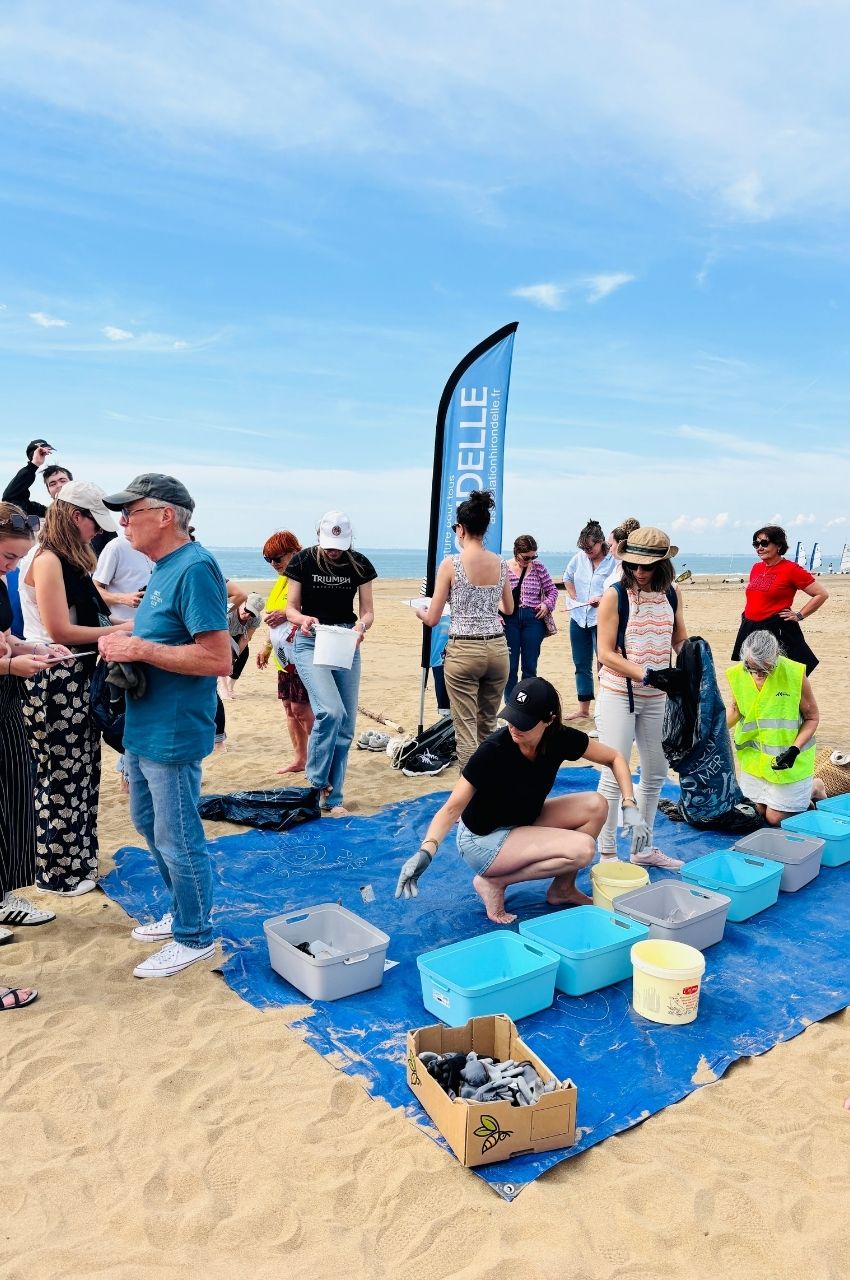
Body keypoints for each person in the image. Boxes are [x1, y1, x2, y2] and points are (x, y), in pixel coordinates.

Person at [98, 473, 230, 979]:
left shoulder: (195, 567)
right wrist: (120, 638)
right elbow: (160, 629)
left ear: (166, 515)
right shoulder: (164, 567)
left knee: (177, 835)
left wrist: (139, 649)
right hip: (144, 722)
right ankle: (182, 911)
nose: (123, 523)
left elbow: (217, 658)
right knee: (148, 823)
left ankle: (195, 936)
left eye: (130, 512)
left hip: (173, 728)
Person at [395, 677, 648, 924]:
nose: (514, 727)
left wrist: (629, 803)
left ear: (549, 720)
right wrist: (426, 851)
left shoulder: (559, 738)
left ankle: (563, 889)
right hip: (482, 840)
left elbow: (614, 757)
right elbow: (451, 809)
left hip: (521, 821)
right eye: (512, 718)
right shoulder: (493, 750)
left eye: (524, 722)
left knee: (597, 804)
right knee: (583, 850)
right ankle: (495, 881)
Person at [19, 482, 131, 895]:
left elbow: (90, 620)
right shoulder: (48, 559)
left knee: (82, 772)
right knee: (61, 776)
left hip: (74, 675)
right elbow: (59, 630)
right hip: (54, 678)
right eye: (93, 524)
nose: (96, 532)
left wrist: (124, 627)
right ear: (74, 516)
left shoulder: (67, 559)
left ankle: (78, 862)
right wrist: (120, 630)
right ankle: (58, 874)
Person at [595, 525, 688, 870]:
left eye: (647, 566)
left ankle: (642, 848)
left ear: (663, 565)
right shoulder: (615, 595)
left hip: (657, 697)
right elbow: (605, 653)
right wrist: (645, 673)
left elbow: (679, 638)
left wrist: (693, 660)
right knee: (612, 774)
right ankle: (607, 853)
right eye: (633, 564)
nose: (639, 571)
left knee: (655, 774)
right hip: (619, 693)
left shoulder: (672, 593)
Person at [0, 503, 66, 930]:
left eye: (18, 559)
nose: (12, 567)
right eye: (8, 556)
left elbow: (6, 638)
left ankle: (3, 895)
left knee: (13, 794)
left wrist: (35, 648)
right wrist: (10, 665)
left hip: (6, 700)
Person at [284, 511, 376, 815]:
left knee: (346, 726)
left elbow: (368, 611)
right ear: (318, 538)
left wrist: (361, 626)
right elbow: (291, 609)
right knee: (330, 711)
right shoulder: (302, 561)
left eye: (339, 546)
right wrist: (302, 619)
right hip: (311, 639)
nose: (333, 551)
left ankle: (332, 798)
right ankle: (316, 780)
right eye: (329, 545)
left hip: (345, 640)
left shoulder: (359, 563)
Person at [416, 490, 513, 770]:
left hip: (464, 649)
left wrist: (419, 611)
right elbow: (508, 608)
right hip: (497, 648)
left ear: (461, 529)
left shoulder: (451, 564)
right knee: (488, 723)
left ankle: (471, 791)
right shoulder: (500, 563)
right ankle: (490, 785)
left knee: (466, 727)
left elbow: (433, 618)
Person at [726, 630, 820, 825]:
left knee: (775, 819)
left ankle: (814, 787)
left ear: (776, 657)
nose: (759, 674)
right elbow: (735, 710)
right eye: (753, 668)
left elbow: (812, 717)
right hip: (754, 763)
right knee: (755, 813)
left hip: (789, 762)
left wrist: (794, 750)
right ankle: (798, 798)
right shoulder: (737, 674)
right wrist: (711, 731)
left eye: (765, 669)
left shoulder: (794, 673)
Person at [731, 525, 828, 675]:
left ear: (779, 545)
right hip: (750, 626)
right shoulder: (756, 568)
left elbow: (821, 594)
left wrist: (799, 615)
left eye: (764, 543)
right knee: (752, 673)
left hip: (776, 628)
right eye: (756, 544)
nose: (759, 548)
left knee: (785, 674)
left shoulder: (791, 569)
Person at [256, 531, 315, 774]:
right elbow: (273, 619)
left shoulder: (307, 576)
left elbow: (313, 612)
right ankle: (300, 759)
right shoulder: (282, 579)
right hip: (284, 657)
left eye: (278, 558)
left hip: (303, 653)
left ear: (294, 552)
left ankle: (321, 757)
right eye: (268, 559)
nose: (273, 563)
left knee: (302, 709)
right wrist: (266, 646)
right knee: (290, 708)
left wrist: (285, 614)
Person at [563, 518, 615, 723]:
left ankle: (606, 707)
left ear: (601, 542)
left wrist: (602, 600)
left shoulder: (614, 561)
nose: (587, 552)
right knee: (581, 663)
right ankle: (583, 709)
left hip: (602, 619)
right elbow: (567, 578)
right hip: (578, 617)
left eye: (590, 548)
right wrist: (575, 597)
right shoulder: (578, 558)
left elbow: (619, 587)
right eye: (584, 548)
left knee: (604, 663)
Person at [502, 535, 558, 697]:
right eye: (526, 557)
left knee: (530, 666)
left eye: (533, 556)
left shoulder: (539, 568)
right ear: (516, 552)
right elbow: (494, 595)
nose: (530, 560)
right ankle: (511, 705)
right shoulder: (503, 568)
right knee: (510, 667)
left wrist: (546, 604)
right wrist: (498, 618)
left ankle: (525, 704)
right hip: (509, 620)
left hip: (533, 620)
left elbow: (552, 591)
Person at [3, 439, 71, 518]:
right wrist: (33, 465)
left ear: (72, 483)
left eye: (63, 481)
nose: (59, 485)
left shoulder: (84, 506)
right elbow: (10, 499)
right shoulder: (48, 514)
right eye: (52, 484)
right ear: (49, 491)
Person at [93, 532, 153, 621]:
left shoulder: (163, 548)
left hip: (155, 625)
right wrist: (123, 599)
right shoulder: (116, 546)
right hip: (122, 626)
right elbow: (94, 590)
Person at [220, 592, 264, 700]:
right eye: (247, 610)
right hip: (221, 632)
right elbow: (223, 639)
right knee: (223, 657)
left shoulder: (256, 619)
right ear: (242, 602)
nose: (248, 615)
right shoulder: (229, 613)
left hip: (239, 633)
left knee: (244, 654)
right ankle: (223, 688)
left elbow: (245, 639)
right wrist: (229, 660)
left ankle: (230, 687)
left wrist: (234, 658)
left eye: (252, 614)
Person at [602, 517, 640, 592]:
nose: (609, 549)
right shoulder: (618, 565)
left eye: (611, 545)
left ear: (620, 544)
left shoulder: (632, 569)